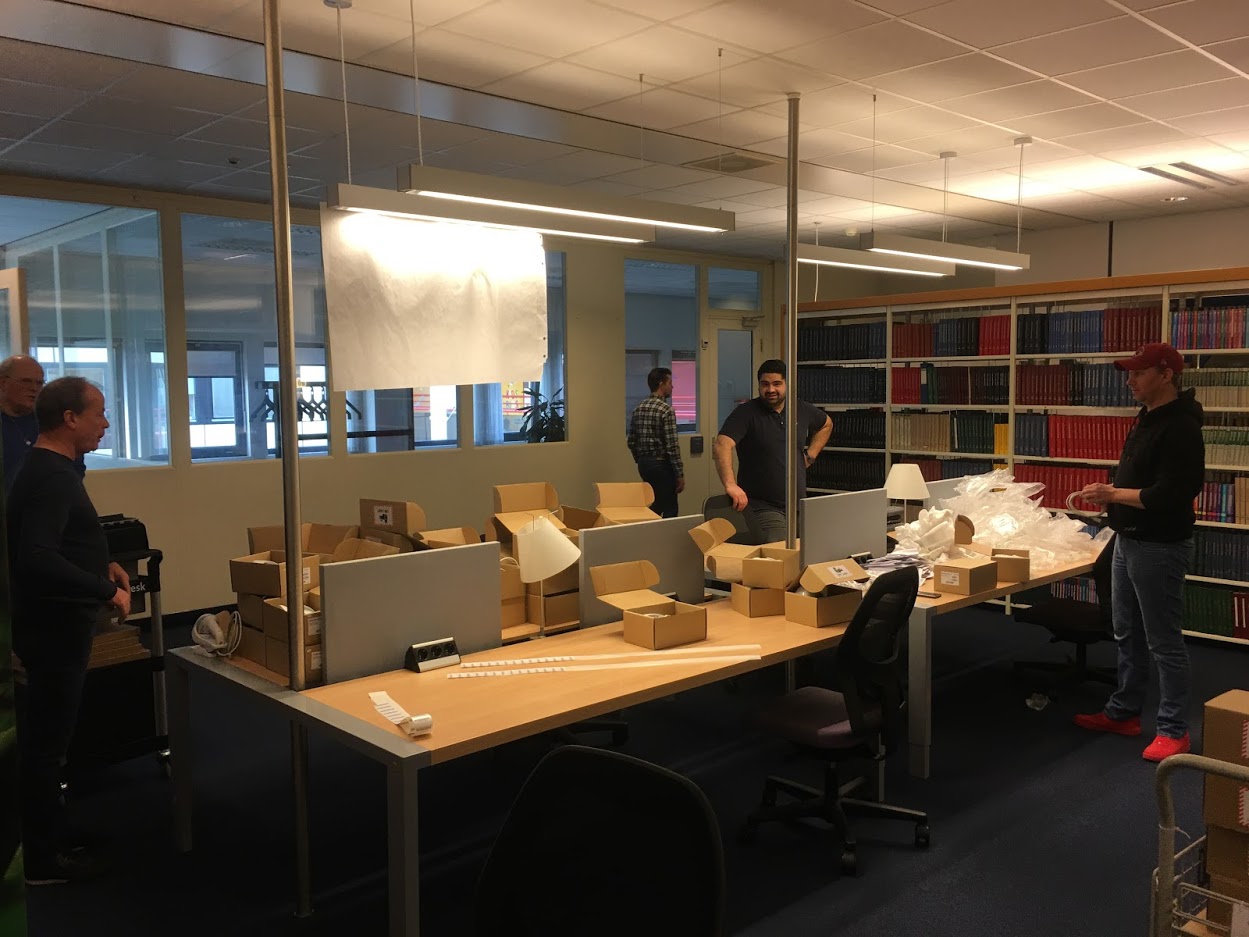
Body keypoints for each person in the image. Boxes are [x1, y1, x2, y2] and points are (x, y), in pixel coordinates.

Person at [8, 376, 131, 883]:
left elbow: (58, 541)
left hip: (54, 624)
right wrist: (106, 592)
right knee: (46, 747)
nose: (105, 422)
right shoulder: (53, 476)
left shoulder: (50, 469)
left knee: (50, 742)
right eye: (99, 412)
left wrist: (102, 564)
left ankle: (53, 835)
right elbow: (36, 557)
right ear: (69, 419)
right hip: (54, 629)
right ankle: (41, 860)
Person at [1074, 342, 1204, 762]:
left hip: (1159, 544)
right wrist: (1112, 499)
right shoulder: (1147, 416)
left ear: (1166, 375)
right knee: (1126, 630)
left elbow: (1172, 493)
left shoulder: (1181, 426)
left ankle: (1173, 729)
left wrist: (1113, 493)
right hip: (1128, 538)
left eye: (1139, 372)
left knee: (1163, 640)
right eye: (1129, 372)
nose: (1129, 380)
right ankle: (1125, 711)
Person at [714, 359, 832, 544]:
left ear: (787, 384)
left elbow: (826, 424)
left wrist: (811, 455)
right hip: (762, 505)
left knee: (809, 552)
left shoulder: (800, 409)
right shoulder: (746, 413)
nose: (770, 390)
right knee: (780, 552)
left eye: (777, 384)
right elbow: (722, 444)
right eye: (765, 384)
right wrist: (730, 485)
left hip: (798, 504)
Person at [627, 367, 684, 518]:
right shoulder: (666, 410)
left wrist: (640, 459)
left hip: (645, 465)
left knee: (656, 501)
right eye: (670, 382)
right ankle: (663, 537)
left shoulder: (638, 408)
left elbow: (631, 441)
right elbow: (672, 446)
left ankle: (648, 531)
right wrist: (679, 474)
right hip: (661, 465)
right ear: (661, 384)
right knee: (670, 506)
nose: (672, 386)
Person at [1, 355, 46, 491]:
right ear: (3, 383)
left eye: (39, 383)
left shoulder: (49, 422)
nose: (34, 388)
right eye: (26, 381)